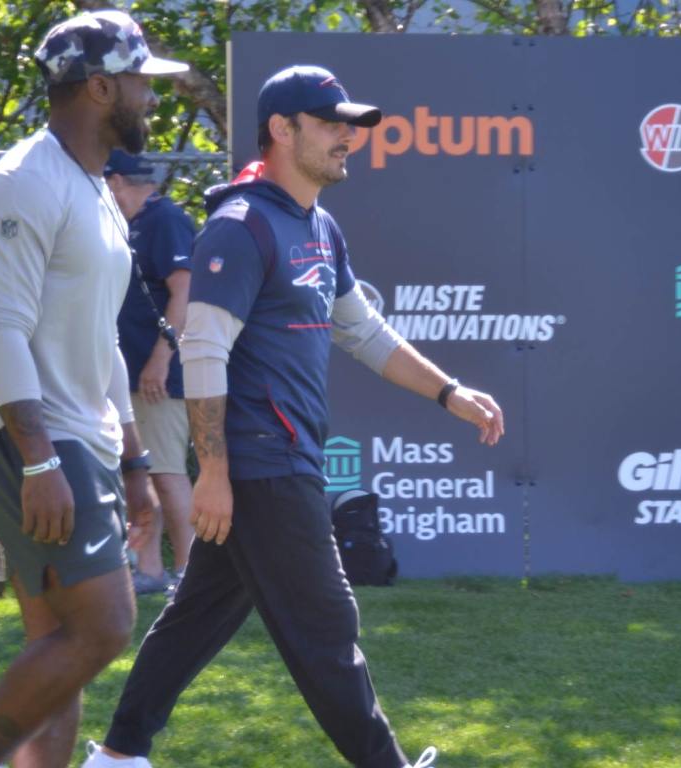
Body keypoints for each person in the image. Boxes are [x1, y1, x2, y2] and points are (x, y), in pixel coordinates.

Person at [82, 65, 504, 768]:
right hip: (260, 464)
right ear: (282, 130)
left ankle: (119, 756)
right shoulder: (241, 226)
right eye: (332, 122)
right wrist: (214, 470)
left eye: (352, 125)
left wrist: (448, 391)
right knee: (325, 625)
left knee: (197, 619)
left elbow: (365, 333)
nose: (349, 136)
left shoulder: (317, 225)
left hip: (271, 462)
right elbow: (205, 348)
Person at [0, 11, 187, 768]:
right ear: (102, 87)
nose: (151, 98)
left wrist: (134, 460)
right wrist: (39, 460)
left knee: (60, 639)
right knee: (104, 624)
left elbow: (100, 335)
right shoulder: (20, 183)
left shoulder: (92, 188)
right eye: (142, 82)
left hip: (80, 434)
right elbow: (0, 331)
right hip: (29, 430)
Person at [104, 151, 196, 595]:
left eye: (104, 185)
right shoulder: (124, 223)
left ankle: (190, 574)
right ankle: (151, 569)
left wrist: (162, 357)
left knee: (166, 470)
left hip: (161, 374)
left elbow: (185, 291)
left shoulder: (165, 219)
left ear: (118, 180)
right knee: (138, 469)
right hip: (129, 373)